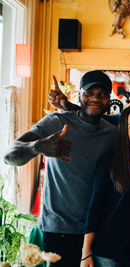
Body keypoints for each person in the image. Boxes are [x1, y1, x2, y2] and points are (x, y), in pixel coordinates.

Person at [3, 70, 115, 267]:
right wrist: (37, 146)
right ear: (79, 95)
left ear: (109, 100)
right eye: (89, 92)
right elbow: (9, 156)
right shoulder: (56, 122)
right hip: (58, 229)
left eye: (102, 94)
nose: (96, 98)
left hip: (97, 230)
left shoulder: (113, 133)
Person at [81, 104, 130, 267]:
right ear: (124, 130)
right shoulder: (108, 163)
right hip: (109, 253)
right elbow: (94, 209)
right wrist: (85, 253)